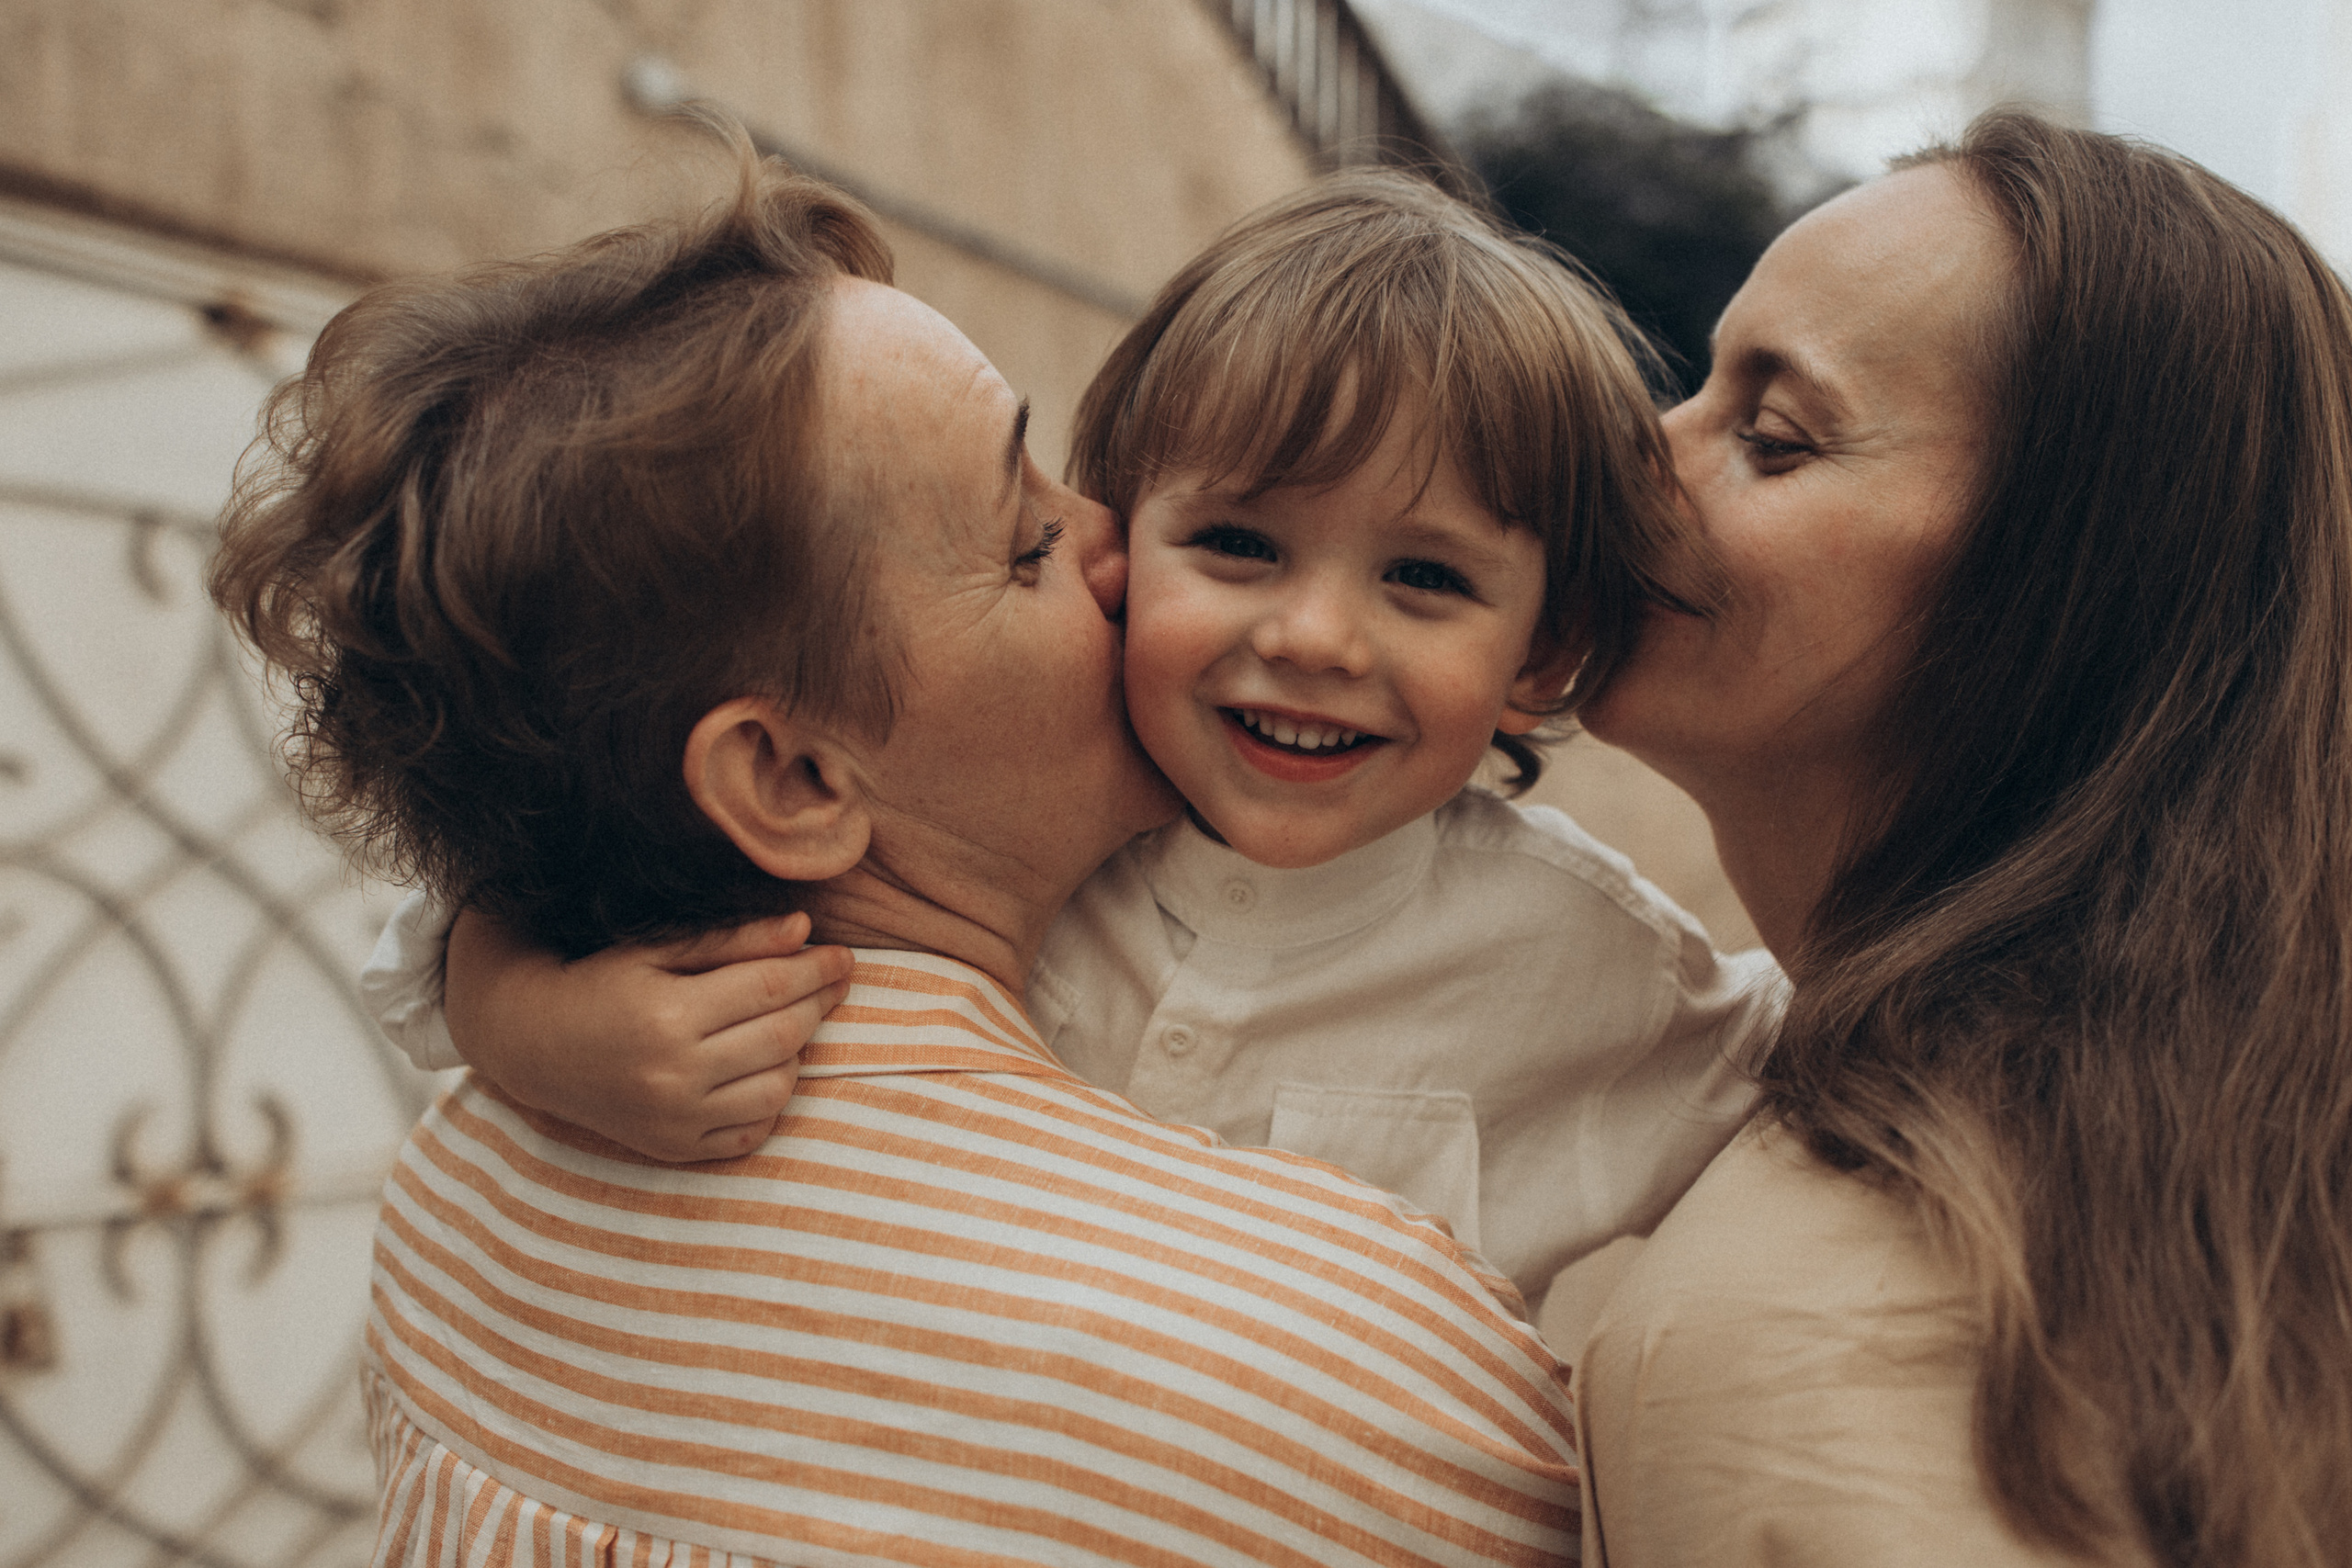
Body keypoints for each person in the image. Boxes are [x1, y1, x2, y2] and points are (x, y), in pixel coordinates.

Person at [211, 141, 1585, 1565]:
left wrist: (514, 1008)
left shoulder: (460, 1194)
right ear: (796, 780)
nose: (1125, 543)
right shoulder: (1353, 1376)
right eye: (1027, 541)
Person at [366, 168, 1780, 1312]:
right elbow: (490, 897)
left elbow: (1855, 1046)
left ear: (1541, 654)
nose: (1316, 641)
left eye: (1426, 579)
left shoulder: (1591, 964)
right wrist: (541, 1027)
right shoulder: (1005, 829)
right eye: (1235, 544)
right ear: (1134, 531)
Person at [1571, 111, 2352, 1566]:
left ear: (2063, 600)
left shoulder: (1842, 1321)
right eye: (1698, 387)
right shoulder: (2157, 1185)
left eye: (1773, 435)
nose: (1636, 458)